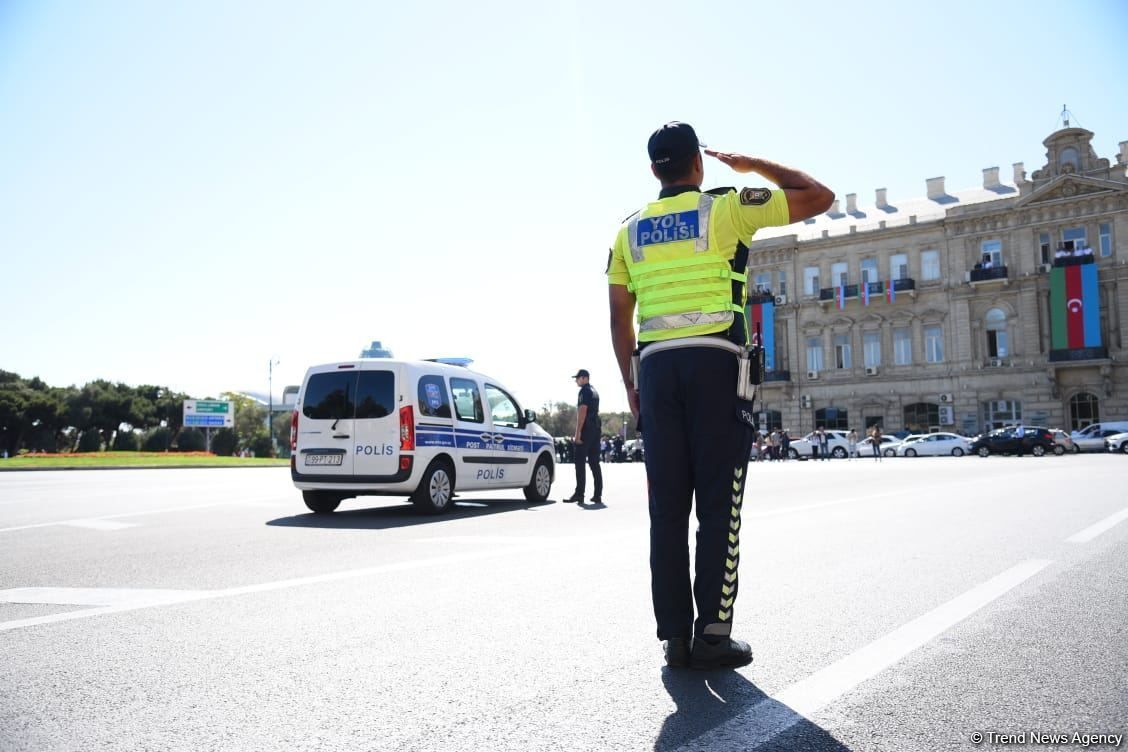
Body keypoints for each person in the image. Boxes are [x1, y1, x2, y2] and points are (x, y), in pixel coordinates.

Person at [608, 121, 833, 669]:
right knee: (718, 506)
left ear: (653, 169)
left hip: (657, 372)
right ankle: (713, 633)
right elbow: (818, 196)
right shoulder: (727, 207)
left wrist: (631, 385)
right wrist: (753, 164)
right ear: (697, 163)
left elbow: (620, 318)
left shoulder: (628, 231)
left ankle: (675, 637)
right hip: (716, 366)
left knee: (666, 510)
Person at [565, 369, 603, 504]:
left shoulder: (584, 391)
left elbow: (582, 411)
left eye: (578, 378)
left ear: (585, 378)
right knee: (594, 462)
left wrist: (577, 433)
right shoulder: (595, 391)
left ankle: (579, 494)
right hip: (596, 428)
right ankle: (598, 494)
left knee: (579, 461)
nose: (576, 380)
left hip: (586, 428)